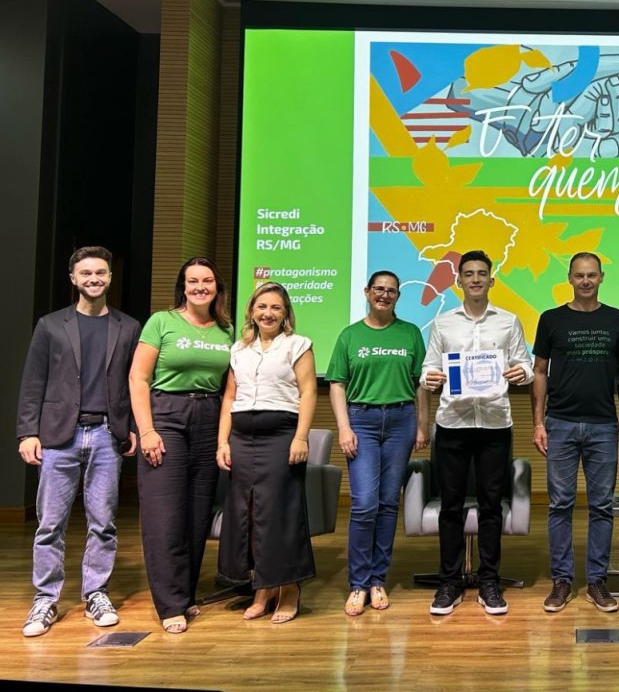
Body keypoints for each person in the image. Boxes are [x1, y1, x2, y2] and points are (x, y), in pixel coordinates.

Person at [16, 247, 141, 638]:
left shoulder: (128, 327)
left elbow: (135, 383)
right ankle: (46, 599)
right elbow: (33, 381)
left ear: (109, 277)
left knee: (103, 523)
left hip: (107, 434)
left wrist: (134, 425)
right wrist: (27, 431)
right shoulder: (51, 325)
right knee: (50, 524)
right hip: (58, 437)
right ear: (73, 278)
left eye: (100, 272)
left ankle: (96, 593)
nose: (94, 279)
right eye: (85, 273)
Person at [420, 250, 533, 616]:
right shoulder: (442, 324)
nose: (475, 279)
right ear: (459, 281)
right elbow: (427, 371)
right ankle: (449, 582)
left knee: (490, 505)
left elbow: (526, 365)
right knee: (450, 507)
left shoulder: (509, 321)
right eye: (468, 274)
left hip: (495, 423)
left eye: (482, 273)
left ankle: (489, 581)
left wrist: (522, 374)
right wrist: (431, 378)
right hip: (452, 422)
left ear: (491, 280)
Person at [129, 257, 234, 634]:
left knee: (197, 515)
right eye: (193, 281)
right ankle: (169, 604)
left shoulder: (227, 330)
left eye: (207, 281)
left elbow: (228, 390)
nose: (200, 287)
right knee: (165, 516)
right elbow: (138, 379)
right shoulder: (162, 322)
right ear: (183, 286)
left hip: (207, 419)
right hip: (166, 416)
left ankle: (185, 594)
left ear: (217, 287)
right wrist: (147, 431)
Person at [327, 270, 427, 617]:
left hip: (401, 420)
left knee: (387, 503)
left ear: (398, 296)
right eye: (379, 290)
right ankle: (358, 583)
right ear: (367, 292)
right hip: (362, 421)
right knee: (364, 503)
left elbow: (420, 384)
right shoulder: (350, 335)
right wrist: (344, 428)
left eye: (391, 291)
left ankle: (377, 580)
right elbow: (337, 384)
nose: (384, 295)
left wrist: (421, 424)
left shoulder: (411, 333)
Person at [533, 252, 619, 613]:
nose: (586, 281)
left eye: (592, 275)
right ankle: (561, 581)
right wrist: (539, 421)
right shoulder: (551, 319)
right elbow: (540, 371)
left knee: (602, 506)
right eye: (579, 275)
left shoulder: (616, 318)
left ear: (601, 277)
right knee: (560, 504)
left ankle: (597, 581)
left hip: (604, 424)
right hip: (560, 423)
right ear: (570, 278)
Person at [215, 283, 317, 624]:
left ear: (285, 313)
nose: (268, 313)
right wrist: (222, 442)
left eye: (275, 307)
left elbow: (307, 392)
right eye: (262, 306)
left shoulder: (298, 345)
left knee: (280, 514)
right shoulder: (238, 350)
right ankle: (263, 587)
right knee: (249, 514)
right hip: (242, 438)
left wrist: (301, 437)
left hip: (280, 436)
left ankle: (289, 588)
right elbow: (229, 398)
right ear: (252, 311)